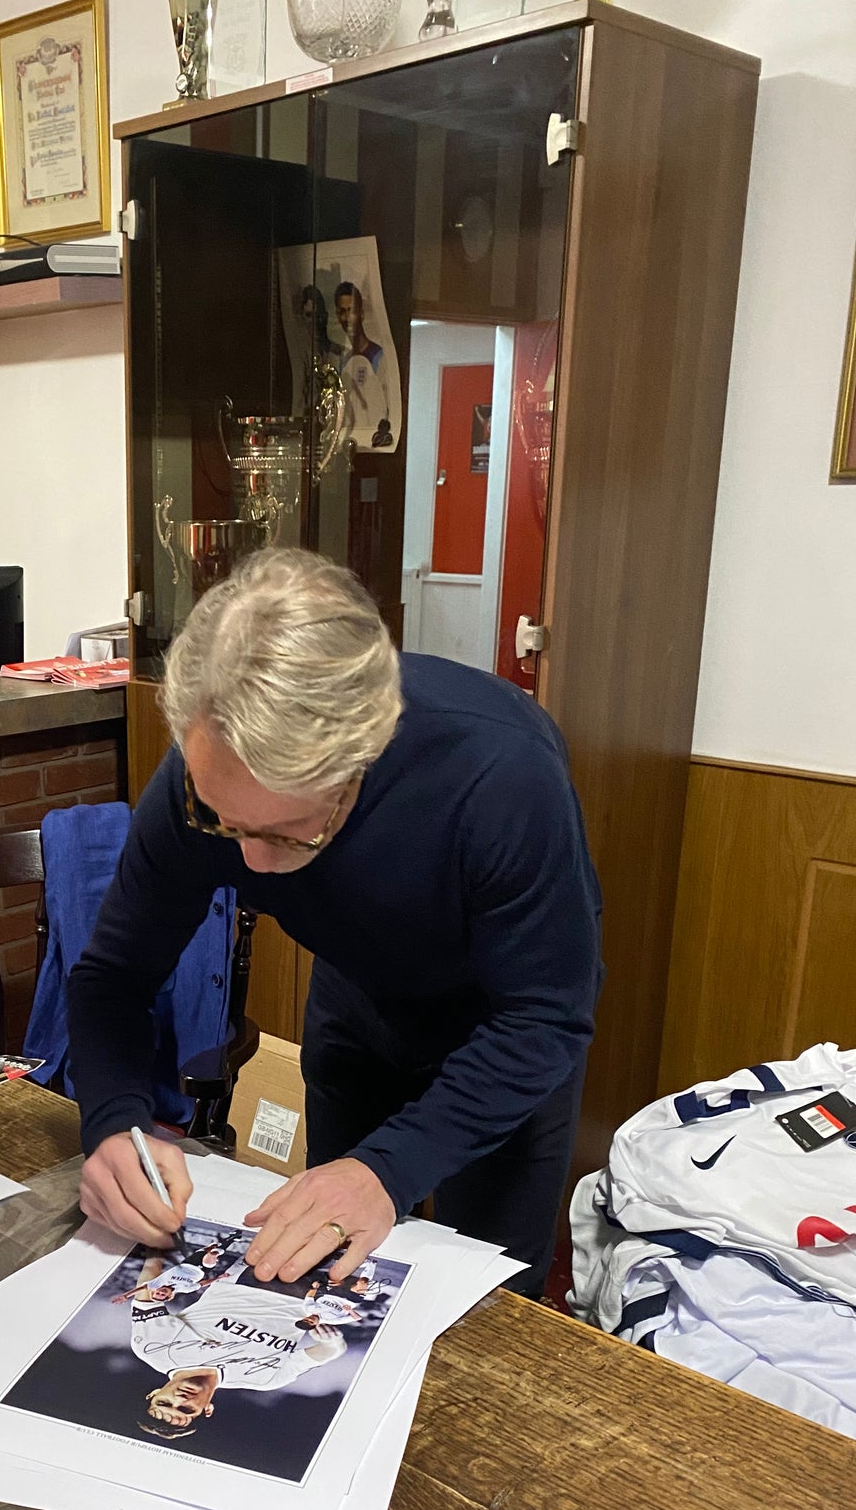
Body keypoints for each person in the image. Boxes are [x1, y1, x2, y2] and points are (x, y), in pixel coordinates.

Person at [69, 547, 601, 1299]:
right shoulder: (203, 779)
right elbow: (112, 976)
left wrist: (386, 1171)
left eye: (287, 832)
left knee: (483, 1305)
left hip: (504, 1030)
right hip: (358, 1004)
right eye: (225, 823)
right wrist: (114, 1121)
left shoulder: (502, 778)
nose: (248, 863)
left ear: (361, 762)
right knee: (333, 1280)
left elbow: (547, 1016)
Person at [131, 1274, 347, 1440]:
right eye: (186, 1409)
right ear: (207, 1410)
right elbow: (327, 1354)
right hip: (319, 1294)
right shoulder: (265, 1380)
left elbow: (147, 1289)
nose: (179, 1399)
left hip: (252, 1275)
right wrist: (332, 1342)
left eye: (165, 1402)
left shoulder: (154, 1350)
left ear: (154, 1393)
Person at [333, 281, 396, 449]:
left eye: (352, 311)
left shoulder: (379, 358)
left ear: (361, 313)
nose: (347, 318)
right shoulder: (342, 362)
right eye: (342, 312)